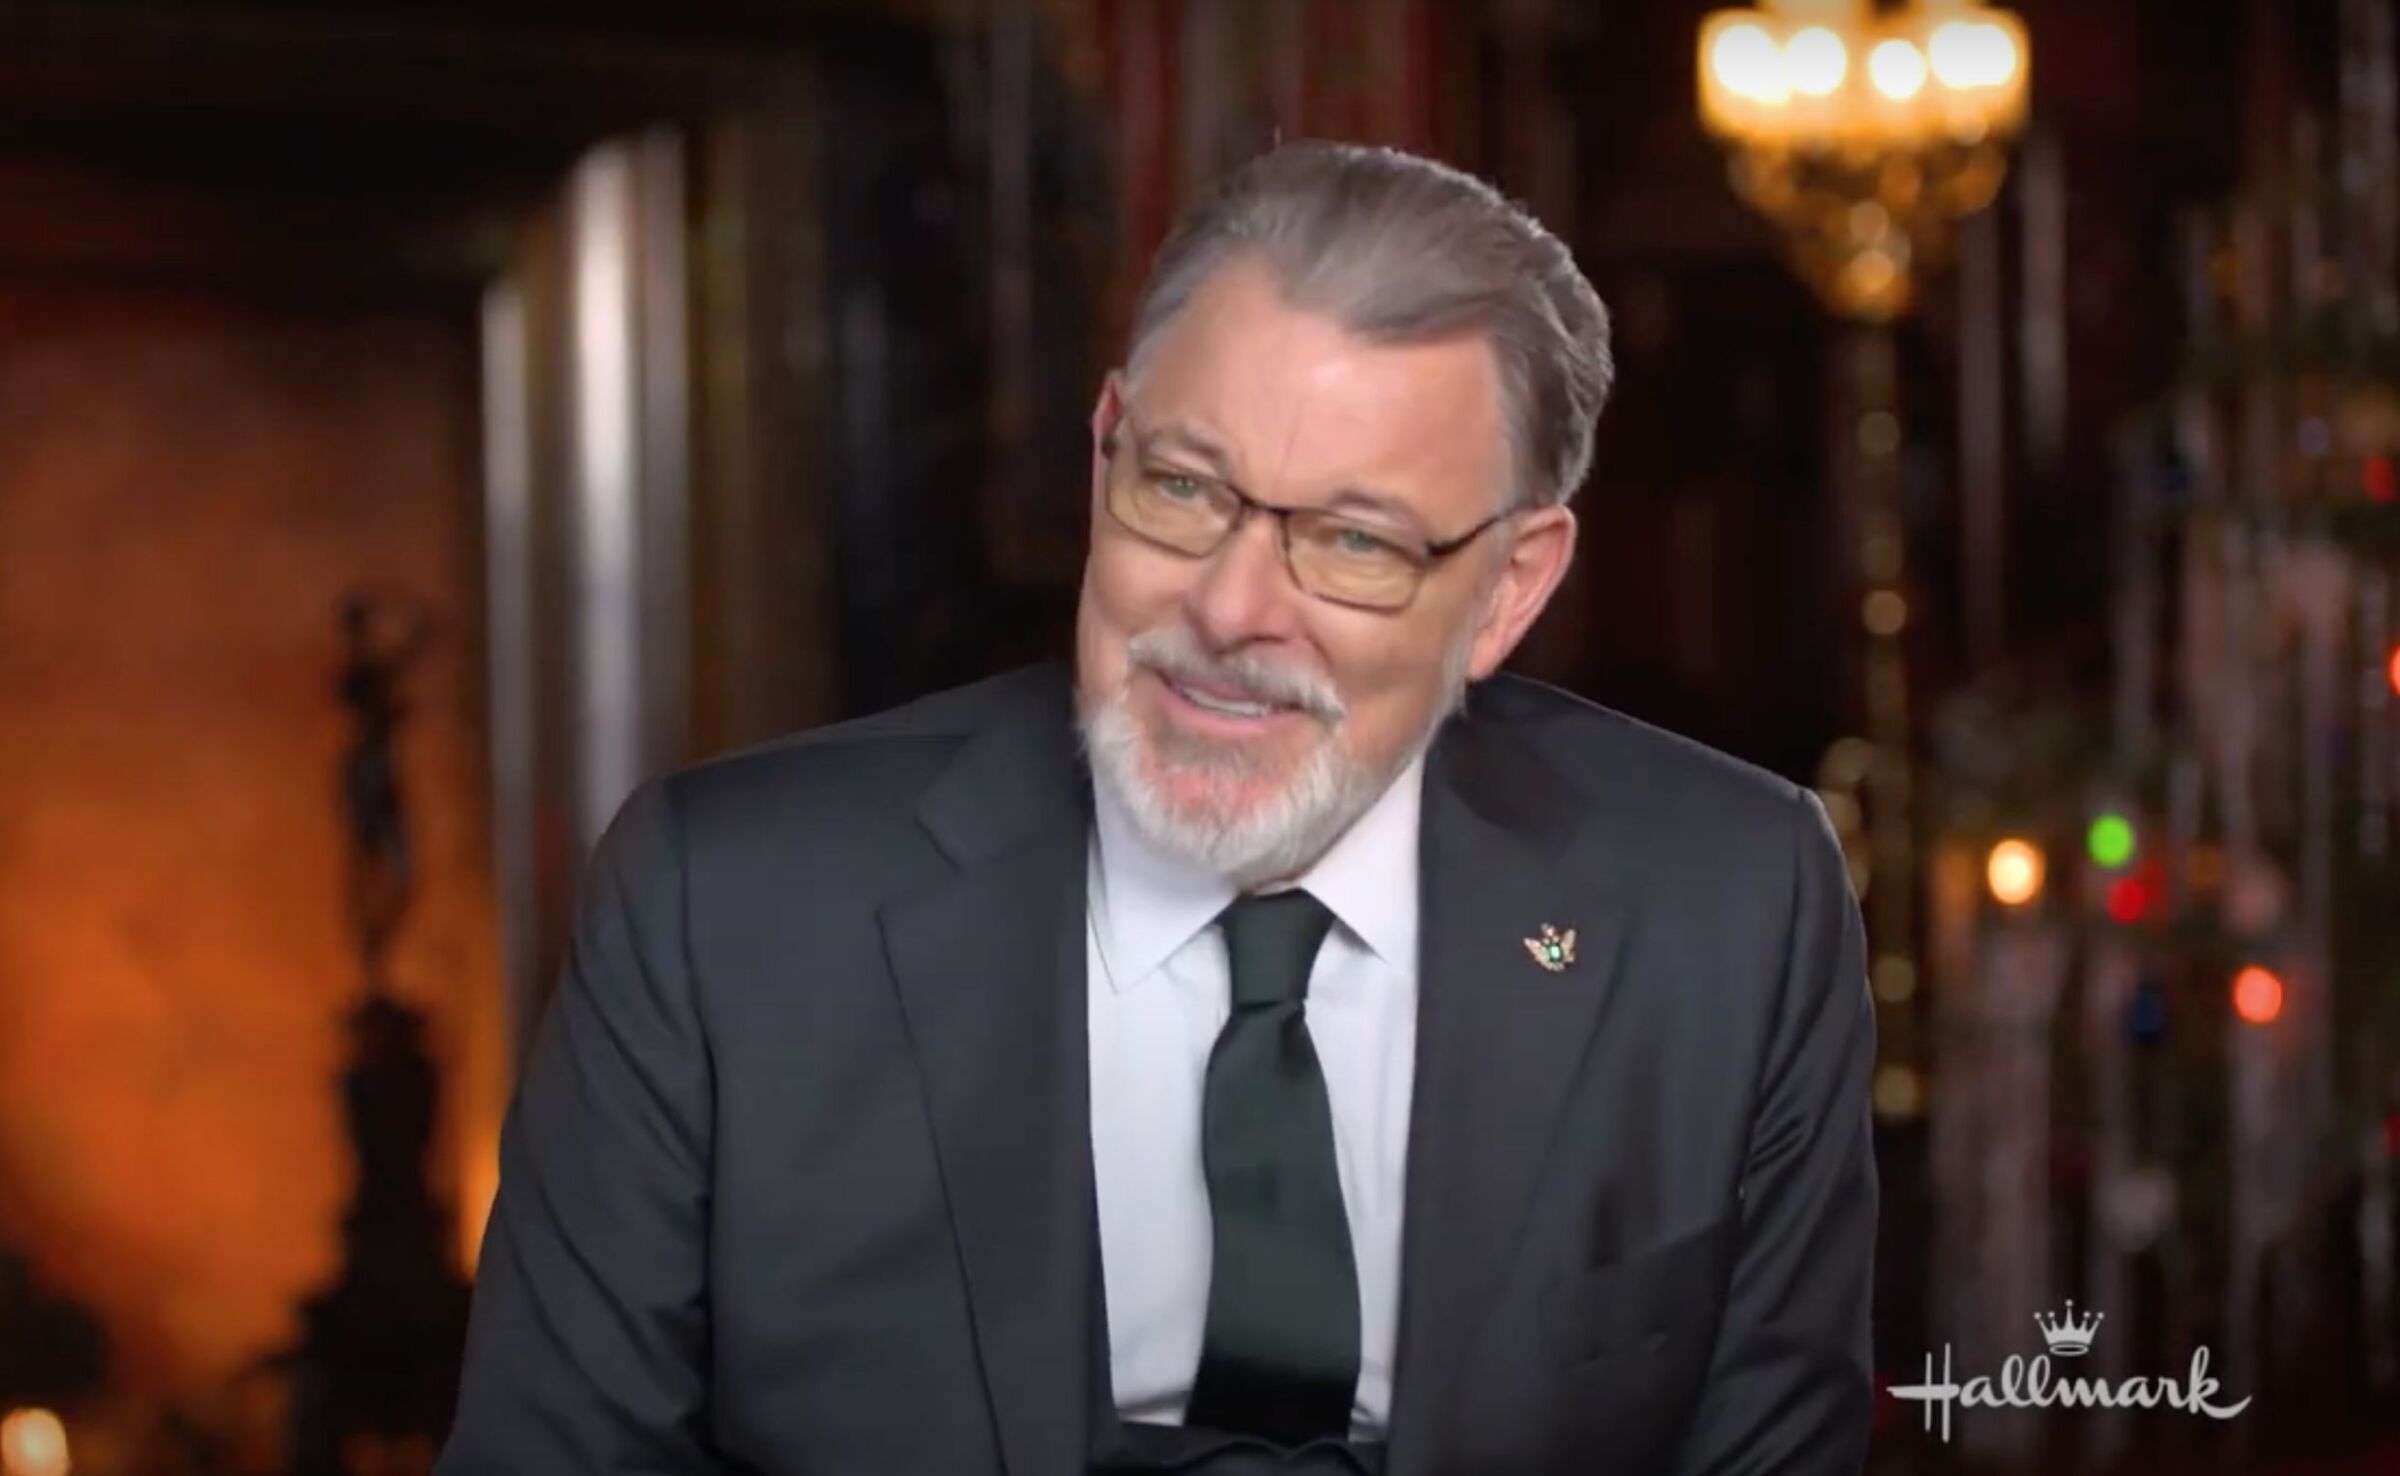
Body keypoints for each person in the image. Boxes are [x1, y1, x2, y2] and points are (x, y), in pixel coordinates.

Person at [436, 141, 1876, 1476]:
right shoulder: (722, 912)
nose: (1233, 611)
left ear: (1509, 587)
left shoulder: (1729, 906)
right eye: (1184, 489)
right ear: (1105, 446)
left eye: (1356, 543)